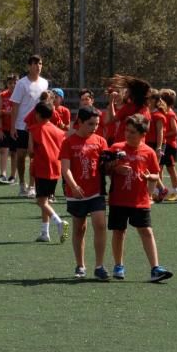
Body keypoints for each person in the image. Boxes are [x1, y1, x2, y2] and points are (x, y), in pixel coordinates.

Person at [105, 114, 173, 282]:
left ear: (143, 134)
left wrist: (151, 178)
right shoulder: (116, 148)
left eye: (133, 132)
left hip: (140, 200)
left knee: (146, 231)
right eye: (127, 131)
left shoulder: (149, 152)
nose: (128, 134)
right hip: (118, 199)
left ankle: (155, 268)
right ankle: (118, 265)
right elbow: (104, 169)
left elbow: (156, 173)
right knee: (119, 232)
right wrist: (115, 168)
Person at [59, 106, 109, 279]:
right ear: (79, 122)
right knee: (79, 228)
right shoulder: (68, 142)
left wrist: (116, 164)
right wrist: (73, 186)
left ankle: (99, 266)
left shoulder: (101, 141)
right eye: (90, 124)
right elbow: (65, 168)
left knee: (100, 224)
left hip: (96, 191)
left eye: (96, 124)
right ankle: (80, 265)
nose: (94, 127)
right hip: (76, 193)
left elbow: (106, 167)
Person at [9, 55, 48, 198]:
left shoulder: (44, 83)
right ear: (29, 66)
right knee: (21, 156)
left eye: (40, 63)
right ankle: (21, 184)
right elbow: (15, 105)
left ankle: (32, 186)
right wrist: (13, 127)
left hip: (38, 127)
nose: (38, 66)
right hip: (21, 126)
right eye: (35, 64)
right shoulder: (22, 84)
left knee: (35, 157)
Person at [27, 101, 67, 243]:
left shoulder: (34, 129)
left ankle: (59, 222)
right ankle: (45, 233)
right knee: (46, 201)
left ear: (37, 114)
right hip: (56, 168)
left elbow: (31, 152)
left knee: (41, 201)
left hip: (42, 168)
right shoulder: (60, 132)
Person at [104, 74, 151, 144]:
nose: (126, 92)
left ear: (133, 94)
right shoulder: (146, 109)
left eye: (128, 91)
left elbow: (112, 119)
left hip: (123, 144)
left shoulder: (129, 107)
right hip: (139, 145)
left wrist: (111, 102)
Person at [159, 88, 177, 202]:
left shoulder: (171, 114)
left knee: (171, 168)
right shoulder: (164, 112)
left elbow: (175, 131)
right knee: (159, 168)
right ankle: (159, 191)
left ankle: (176, 191)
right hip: (164, 144)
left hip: (170, 145)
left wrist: (162, 134)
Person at [0, 74, 18, 185]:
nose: (12, 85)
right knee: (3, 151)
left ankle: (13, 176)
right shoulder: (2, 95)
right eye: (10, 83)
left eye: (15, 83)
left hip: (17, 129)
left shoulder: (20, 96)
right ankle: (3, 174)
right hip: (4, 128)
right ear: (7, 84)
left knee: (14, 153)